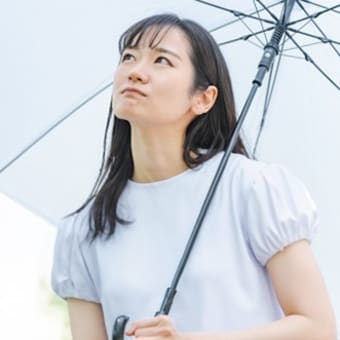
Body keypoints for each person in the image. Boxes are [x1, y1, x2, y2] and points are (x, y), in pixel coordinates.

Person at [51, 14, 337, 340]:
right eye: (128, 57)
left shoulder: (251, 188)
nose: (135, 71)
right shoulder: (85, 229)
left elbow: (318, 328)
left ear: (203, 98)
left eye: (161, 60)